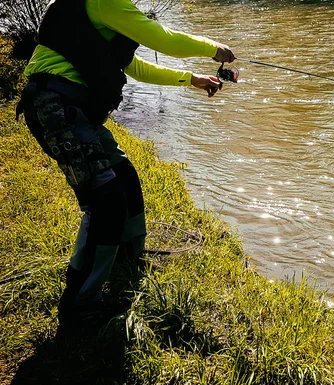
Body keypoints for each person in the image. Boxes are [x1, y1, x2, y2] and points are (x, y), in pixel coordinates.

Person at [17, 0, 235, 329]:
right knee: (105, 201)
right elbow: (165, 39)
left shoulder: (105, 13)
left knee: (126, 179)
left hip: (75, 113)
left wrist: (191, 79)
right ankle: (79, 304)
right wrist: (214, 48)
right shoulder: (103, 1)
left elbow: (134, 67)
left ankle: (127, 260)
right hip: (56, 109)